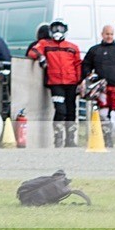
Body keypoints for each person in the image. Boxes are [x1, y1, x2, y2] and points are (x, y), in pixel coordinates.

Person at [27, 19, 82, 147]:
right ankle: (58, 138)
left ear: (65, 30)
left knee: (71, 111)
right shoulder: (45, 44)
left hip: (71, 83)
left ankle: (70, 140)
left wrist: (80, 82)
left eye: (61, 29)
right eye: (55, 28)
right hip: (55, 83)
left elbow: (78, 64)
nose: (58, 31)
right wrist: (41, 57)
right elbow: (32, 52)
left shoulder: (72, 47)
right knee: (60, 109)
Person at [82, 25, 115, 148]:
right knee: (104, 114)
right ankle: (107, 140)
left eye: (111, 34)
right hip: (102, 89)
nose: (109, 36)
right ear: (102, 34)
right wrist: (89, 76)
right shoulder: (95, 50)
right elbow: (86, 65)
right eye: (107, 34)